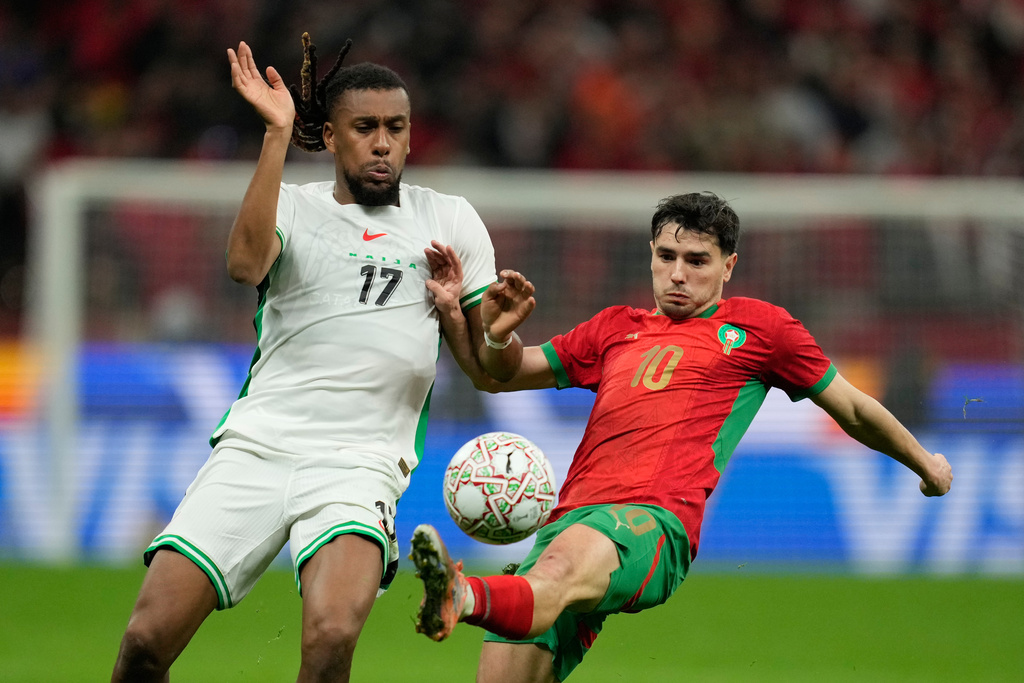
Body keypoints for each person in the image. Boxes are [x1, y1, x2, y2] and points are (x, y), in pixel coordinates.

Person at [410, 191, 954, 683]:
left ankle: (460, 593)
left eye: (697, 262)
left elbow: (854, 407)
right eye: (666, 258)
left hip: (651, 522)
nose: (677, 274)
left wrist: (924, 462)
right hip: (569, 521)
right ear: (650, 253)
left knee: (552, 577)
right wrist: (481, 324)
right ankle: (470, 596)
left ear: (727, 266)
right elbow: (495, 374)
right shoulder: (613, 328)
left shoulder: (762, 330)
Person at [111, 34, 522, 682]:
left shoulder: (450, 219)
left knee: (331, 635)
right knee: (143, 642)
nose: (383, 142)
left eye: (397, 127)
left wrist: (482, 323)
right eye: (365, 128)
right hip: (258, 444)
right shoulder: (296, 207)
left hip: (360, 462)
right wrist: (275, 134)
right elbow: (244, 263)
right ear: (330, 137)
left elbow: (486, 370)